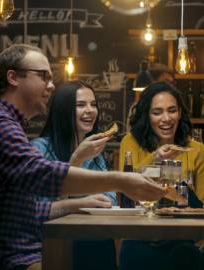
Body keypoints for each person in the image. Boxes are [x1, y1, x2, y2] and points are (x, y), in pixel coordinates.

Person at [0, 44, 165, 270]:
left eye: (93, 104)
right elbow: (42, 174)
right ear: (13, 77)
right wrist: (121, 180)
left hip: (36, 251)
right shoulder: (3, 125)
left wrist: (77, 204)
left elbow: (31, 211)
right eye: (43, 76)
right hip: (22, 256)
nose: (50, 85)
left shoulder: (13, 126)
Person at [119, 81, 204, 270]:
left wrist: (178, 191)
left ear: (180, 113)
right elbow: (127, 193)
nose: (166, 118)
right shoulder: (130, 143)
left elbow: (203, 207)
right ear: (147, 116)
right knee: (133, 251)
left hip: (182, 239)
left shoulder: (198, 150)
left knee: (186, 253)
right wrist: (156, 160)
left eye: (172, 110)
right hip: (140, 236)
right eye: (157, 112)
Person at [30, 80, 118, 270]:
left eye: (93, 104)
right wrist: (77, 159)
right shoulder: (40, 148)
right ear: (63, 110)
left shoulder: (95, 151)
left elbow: (109, 199)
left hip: (94, 238)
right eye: (80, 105)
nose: (90, 110)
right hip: (55, 242)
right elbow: (43, 208)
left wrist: (78, 201)